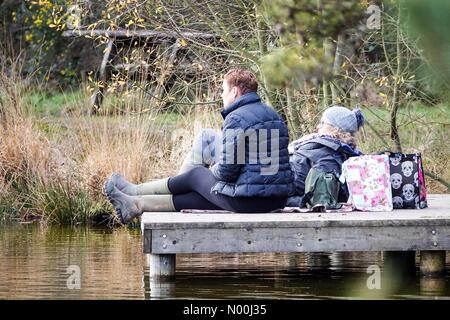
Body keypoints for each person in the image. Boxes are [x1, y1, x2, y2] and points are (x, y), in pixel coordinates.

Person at [104, 68, 295, 224]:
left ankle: (134, 190)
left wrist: (212, 170)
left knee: (197, 175)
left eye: (223, 90)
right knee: (205, 196)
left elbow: (228, 172)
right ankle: (137, 204)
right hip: (275, 200)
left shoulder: (237, 118)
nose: (221, 95)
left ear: (235, 91)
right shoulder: (274, 116)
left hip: (248, 202)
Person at [286, 105, 365, 206]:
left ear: (336, 129)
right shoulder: (353, 155)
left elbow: (292, 188)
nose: (318, 126)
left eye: (322, 123)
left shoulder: (320, 153)